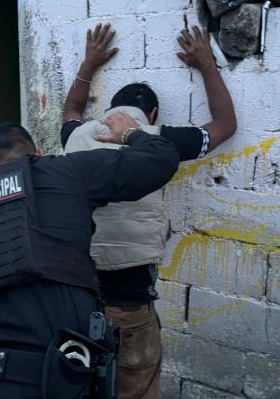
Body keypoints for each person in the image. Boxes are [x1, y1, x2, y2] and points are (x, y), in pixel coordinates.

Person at [0, 110, 182, 398]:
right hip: (53, 375)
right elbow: (161, 158)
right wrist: (130, 132)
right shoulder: (64, 171)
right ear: (39, 154)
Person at [61, 23, 237, 399]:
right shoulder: (161, 140)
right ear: (152, 115)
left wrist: (89, 63)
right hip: (128, 299)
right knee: (135, 386)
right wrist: (207, 65)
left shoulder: (75, 136)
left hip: (73, 294)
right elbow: (225, 125)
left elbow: (72, 108)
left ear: (109, 111)